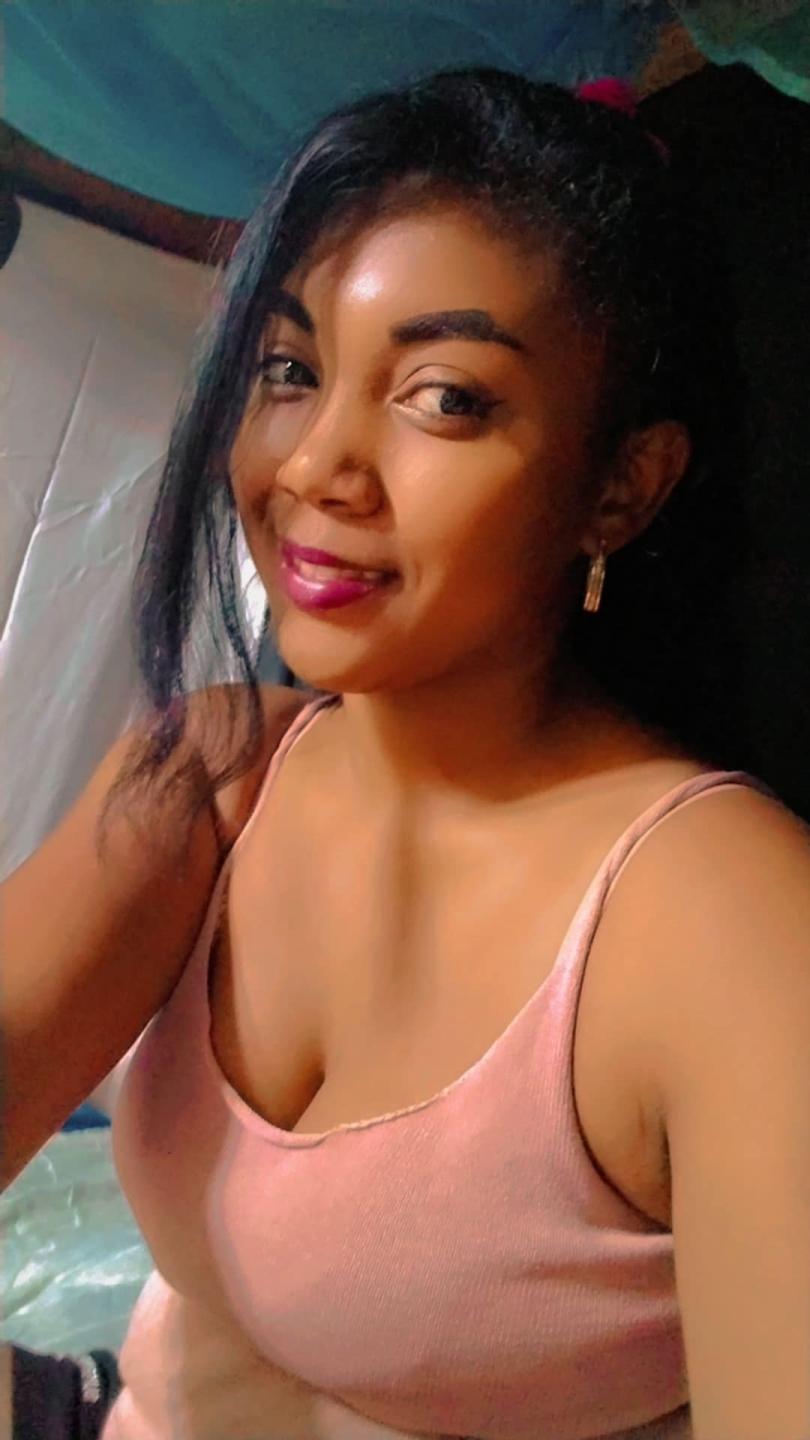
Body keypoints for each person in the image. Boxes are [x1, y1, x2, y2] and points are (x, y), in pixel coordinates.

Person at [3, 66, 809, 1440]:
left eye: (443, 398)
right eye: (290, 370)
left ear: (622, 486)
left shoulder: (723, 926)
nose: (317, 463)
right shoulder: (212, 774)